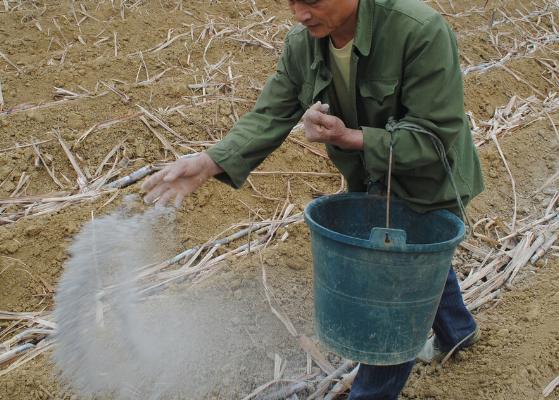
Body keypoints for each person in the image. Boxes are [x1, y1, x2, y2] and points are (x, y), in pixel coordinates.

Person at [142, 0, 484, 398]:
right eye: (292, 1)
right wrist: (210, 162)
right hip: (373, 180)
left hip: (428, 180)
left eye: (312, 1)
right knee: (418, 264)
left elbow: (435, 134)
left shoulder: (418, 31)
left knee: (393, 291)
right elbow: (271, 113)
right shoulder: (304, 44)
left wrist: (350, 137)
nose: (300, 13)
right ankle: (458, 332)